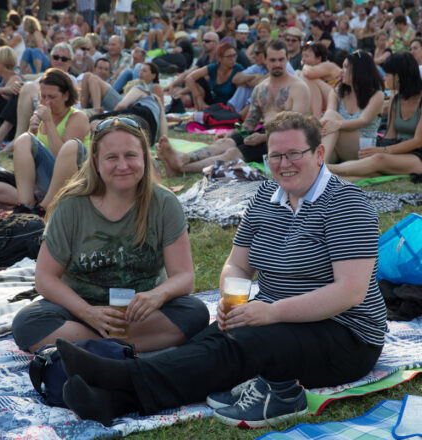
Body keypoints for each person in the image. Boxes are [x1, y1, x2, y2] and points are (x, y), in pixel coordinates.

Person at [54, 111, 387, 428]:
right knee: (208, 345)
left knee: (240, 347)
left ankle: (119, 375)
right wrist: (232, 299)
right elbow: (238, 263)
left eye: (294, 154)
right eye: (275, 156)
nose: (284, 165)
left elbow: (350, 292)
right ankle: (111, 401)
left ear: (319, 153)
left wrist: (271, 313)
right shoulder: (267, 196)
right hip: (276, 318)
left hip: (346, 336)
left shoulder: (346, 204)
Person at [11, 116, 209, 354]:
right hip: (81, 312)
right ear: (95, 162)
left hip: (142, 314)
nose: (122, 165)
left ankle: (95, 350)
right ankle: (120, 349)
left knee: (195, 313)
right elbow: (45, 278)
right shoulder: (71, 205)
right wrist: (87, 312)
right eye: (112, 157)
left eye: (131, 155)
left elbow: (184, 276)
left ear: (144, 158)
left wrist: (157, 295)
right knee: (27, 324)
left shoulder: (165, 203)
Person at [158, 39, 310, 174]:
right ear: (265, 60)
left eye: (281, 60)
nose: (277, 64)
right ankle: (183, 158)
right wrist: (233, 132)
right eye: (273, 60)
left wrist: (262, 137)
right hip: (264, 133)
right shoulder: (261, 88)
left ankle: (181, 167)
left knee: (231, 153)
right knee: (225, 143)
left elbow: (296, 126)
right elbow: (250, 123)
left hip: (286, 140)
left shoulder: (298, 87)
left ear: (287, 59)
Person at [0, 68, 89, 214]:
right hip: (38, 181)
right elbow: (26, 157)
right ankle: (28, 204)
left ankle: (37, 207)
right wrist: (32, 131)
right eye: (43, 96)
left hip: (64, 182)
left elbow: (63, 157)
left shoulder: (77, 118)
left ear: (66, 95)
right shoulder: (42, 116)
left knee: (25, 139)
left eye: (52, 97)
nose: (47, 102)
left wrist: (49, 123)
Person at [328, 52, 422, 179]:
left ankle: (327, 169)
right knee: (374, 164)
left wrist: (382, 151)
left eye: (388, 75)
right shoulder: (396, 101)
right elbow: (390, 136)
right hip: (399, 152)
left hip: (417, 155)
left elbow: (418, 141)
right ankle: (336, 177)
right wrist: (375, 148)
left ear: (398, 77)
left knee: (379, 159)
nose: (385, 78)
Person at [321, 50, 384, 163]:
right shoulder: (337, 92)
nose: (341, 71)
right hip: (340, 145)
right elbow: (328, 115)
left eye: (345, 67)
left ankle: (319, 169)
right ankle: (318, 166)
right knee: (329, 117)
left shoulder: (377, 95)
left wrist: (338, 124)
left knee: (331, 117)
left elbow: (362, 120)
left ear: (358, 70)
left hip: (363, 149)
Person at [186, 42, 243, 110]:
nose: (233, 59)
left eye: (234, 55)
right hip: (213, 102)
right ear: (219, 58)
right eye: (229, 56)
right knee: (198, 81)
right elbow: (189, 78)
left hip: (229, 106)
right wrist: (199, 98)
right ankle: (199, 111)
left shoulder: (238, 69)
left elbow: (240, 95)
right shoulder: (214, 67)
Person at [298, 42, 341, 119]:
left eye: (306, 56)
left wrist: (303, 67)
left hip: (340, 101)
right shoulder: (316, 70)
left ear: (318, 59)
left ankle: (316, 119)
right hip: (330, 102)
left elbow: (308, 73)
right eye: (302, 56)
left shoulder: (328, 65)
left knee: (306, 78)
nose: (303, 59)